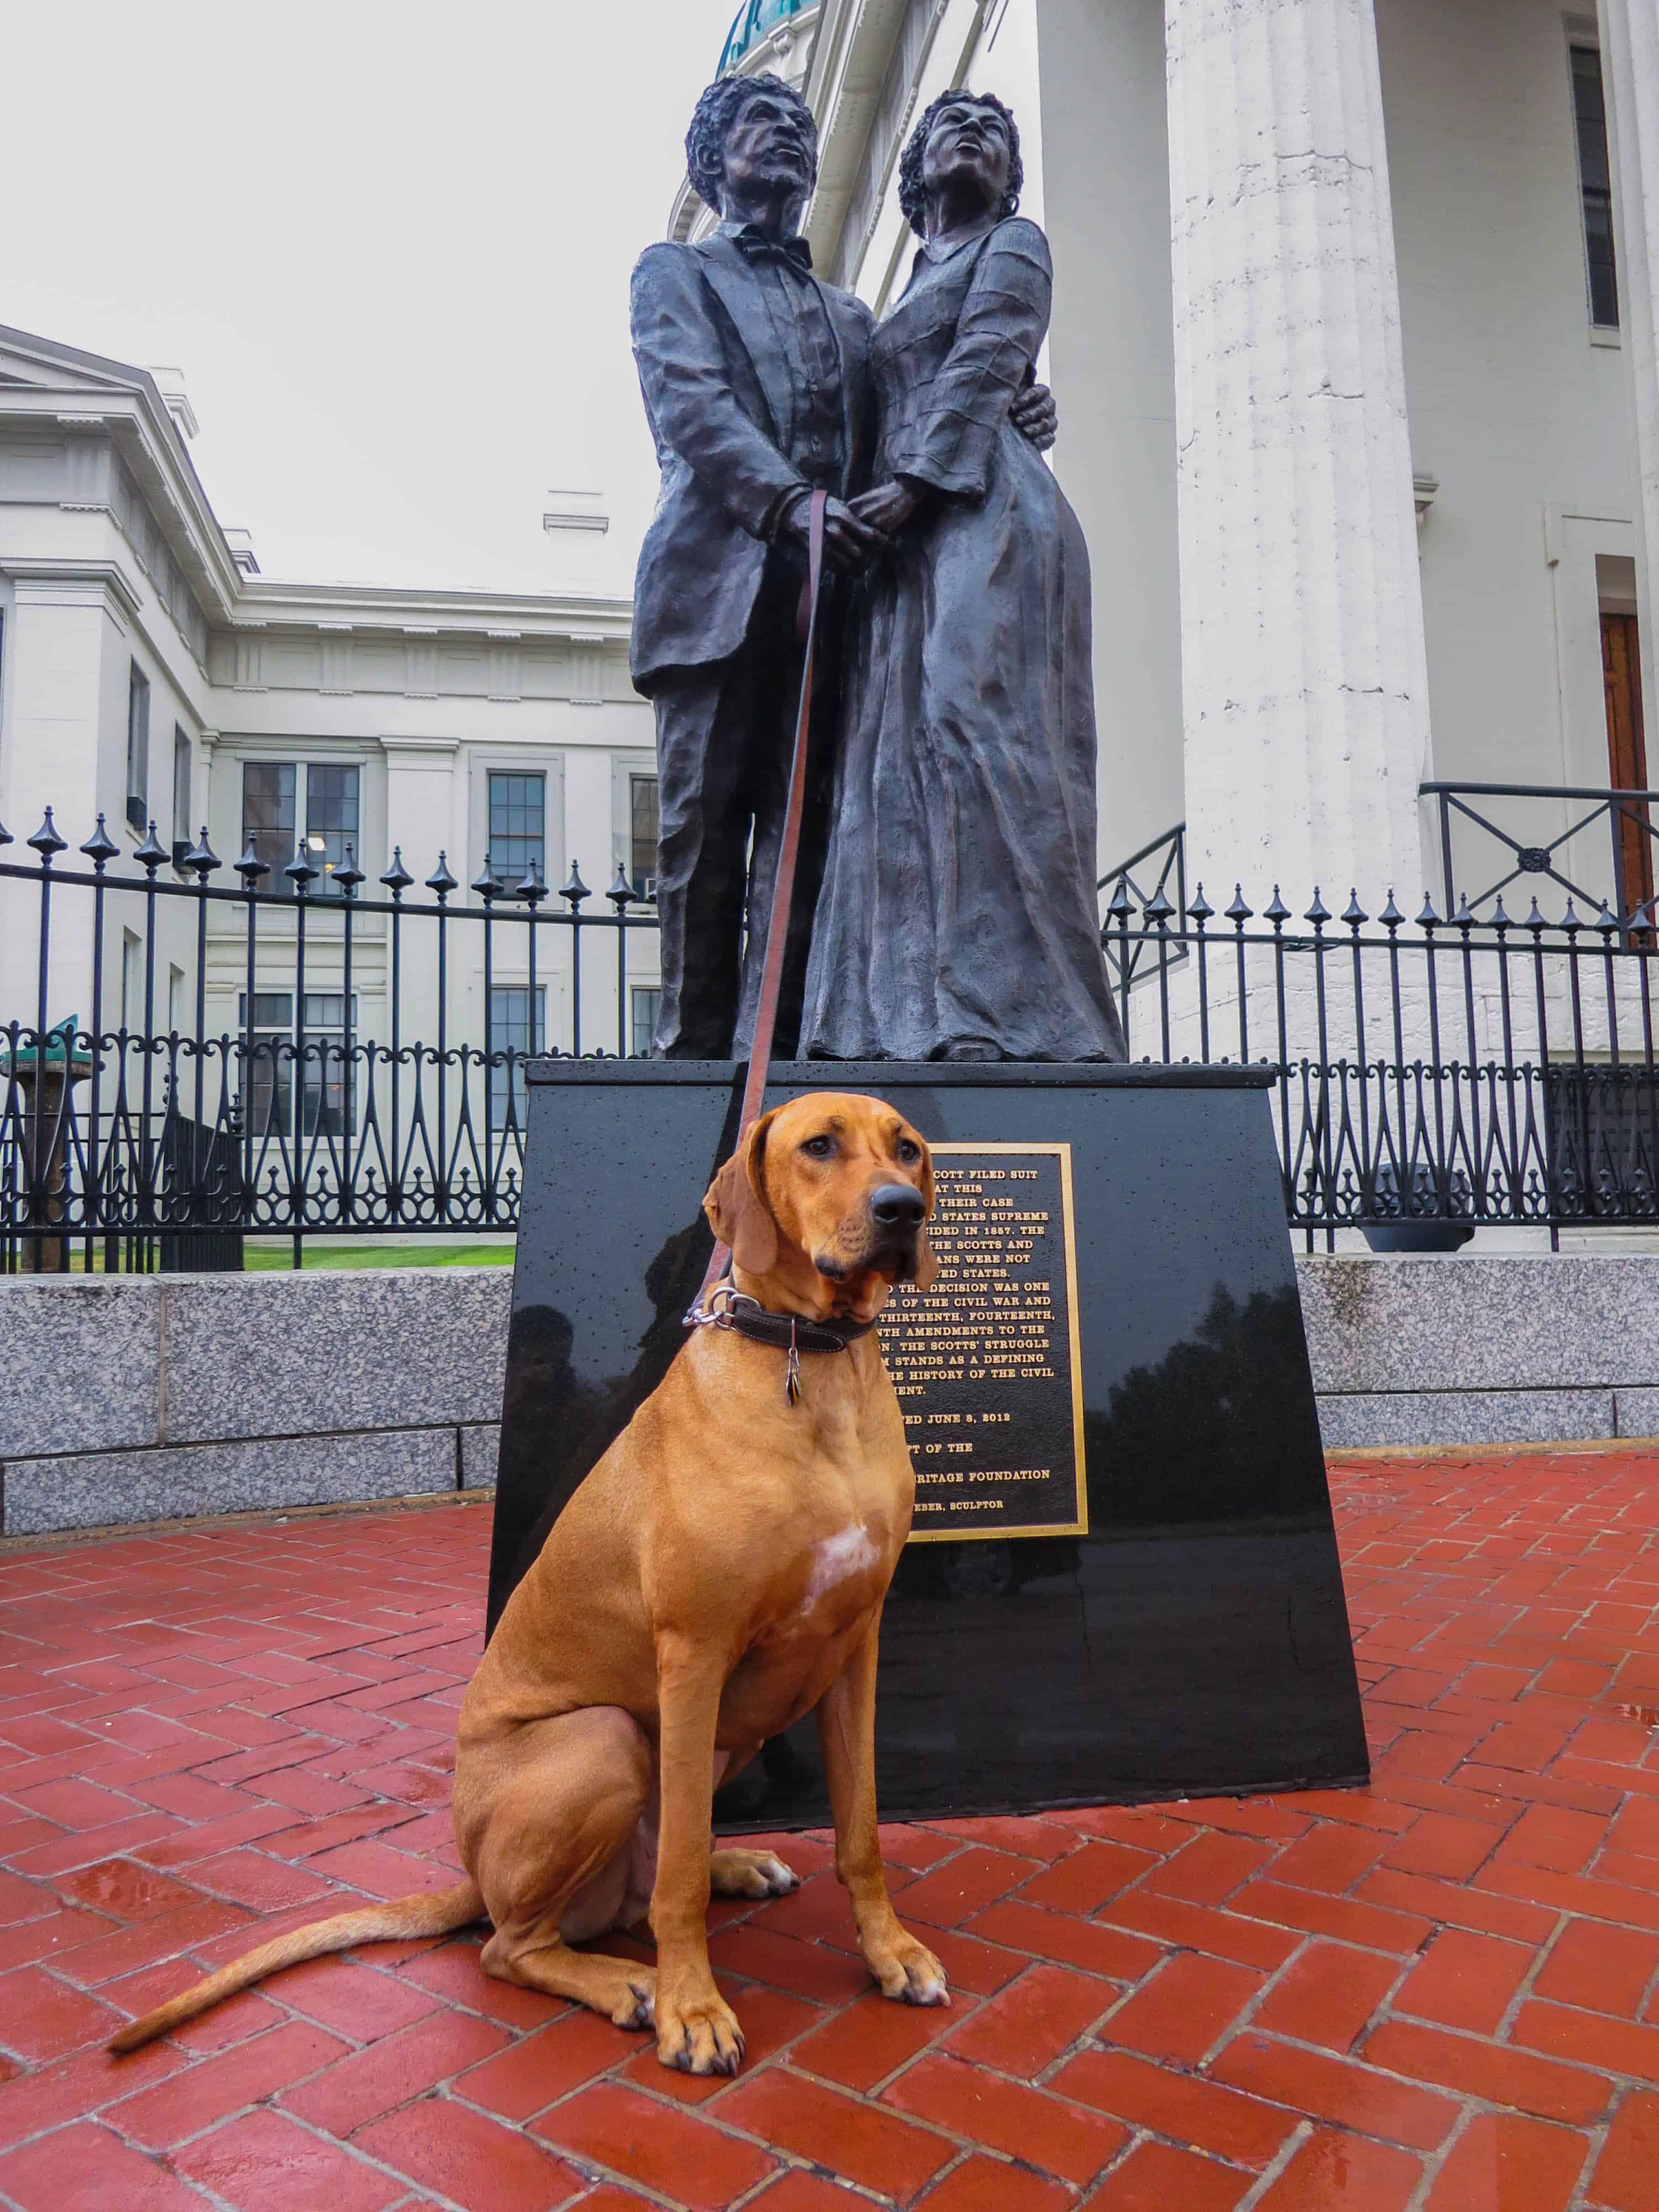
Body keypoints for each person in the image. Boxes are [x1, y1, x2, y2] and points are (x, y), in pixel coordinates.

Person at [629, 74, 1056, 1060]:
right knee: (701, 833)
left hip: (844, 600)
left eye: (797, 128)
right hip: (722, 584)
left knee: (809, 835)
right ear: (712, 160)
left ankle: (774, 1053)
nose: (783, 139)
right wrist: (790, 505)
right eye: (758, 125)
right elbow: (692, 407)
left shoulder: (854, 315)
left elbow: (920, 397)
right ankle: (689, 1062)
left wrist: (1024, 403)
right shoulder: (673, 274)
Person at [798, 90, 1128, 1063]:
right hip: (901, 541)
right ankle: (897, 1011)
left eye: (994, 133)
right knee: (891, 767)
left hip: (986, 516)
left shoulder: (1014, 244)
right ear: (917, 172)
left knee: (974, 724)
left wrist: (912, 487)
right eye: (953, 126)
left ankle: (1011, 1005)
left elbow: (989, 361)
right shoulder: (896, 293)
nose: (976, 136)